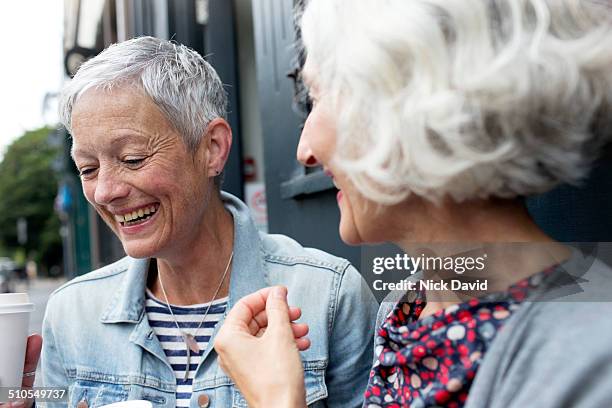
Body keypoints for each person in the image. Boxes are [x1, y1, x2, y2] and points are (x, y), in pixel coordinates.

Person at [214, 1, 612, 407]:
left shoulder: (591, 358)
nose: (305, 152)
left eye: (317, 98)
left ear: (412, 102)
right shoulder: (405, 308)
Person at [21, 36, 378, 408]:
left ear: (212, 149)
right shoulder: (70, 315)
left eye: (132, 159)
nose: (105, 192)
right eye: (88, 169)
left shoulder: (330, 298)